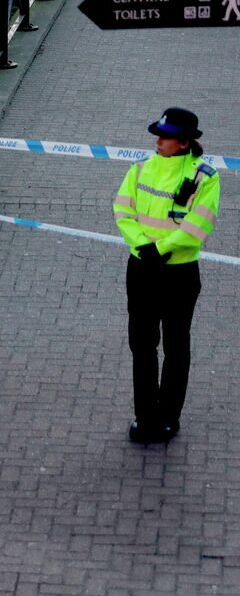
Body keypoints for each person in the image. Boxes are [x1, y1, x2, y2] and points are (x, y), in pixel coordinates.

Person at [113, 107, 220, 443]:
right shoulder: (140, 168)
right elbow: (122, 209)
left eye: (165, 136)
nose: (158, 141)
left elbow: (198, 225)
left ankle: (168, 416)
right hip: (142, 269)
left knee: (176, 345)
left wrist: (158, 249)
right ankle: (144, 416)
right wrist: (143, 245)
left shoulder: (205, 177)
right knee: (141, 344)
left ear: (184, 142)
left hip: (178, 273)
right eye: (158, 135)